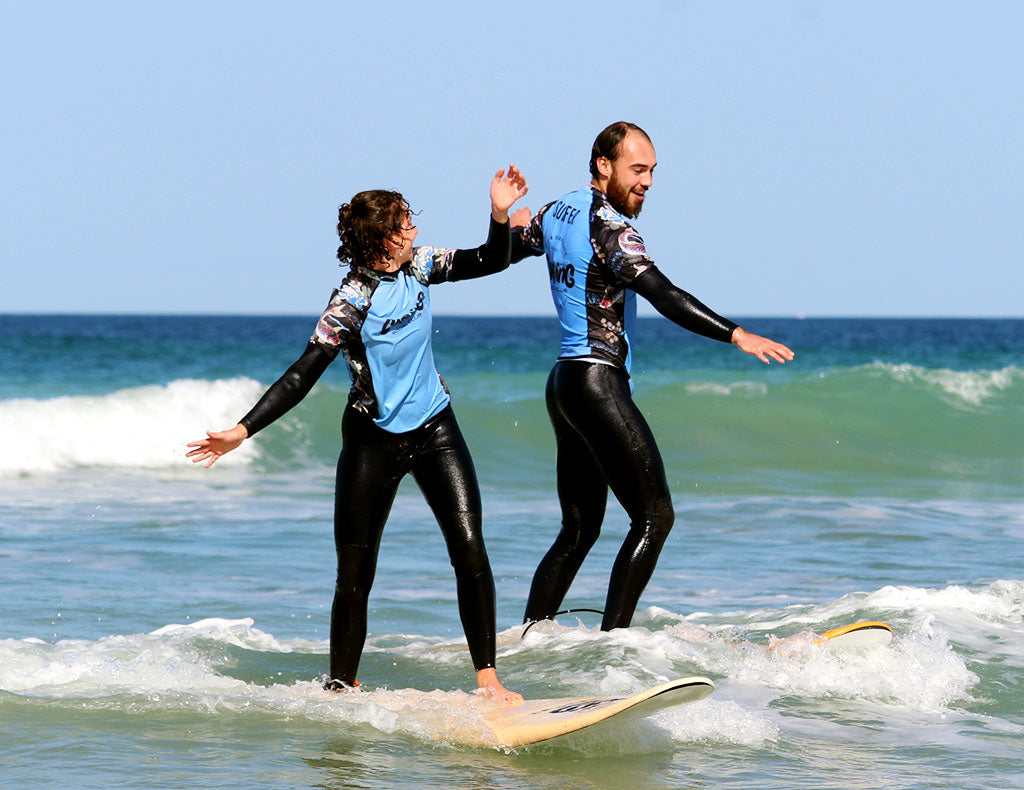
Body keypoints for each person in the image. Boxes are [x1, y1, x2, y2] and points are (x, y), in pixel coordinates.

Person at [187, 166, 530, 702]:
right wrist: (242, 429)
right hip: (371, 440)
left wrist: (499, 215)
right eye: (407, 222)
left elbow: (488, 261)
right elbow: (303, 372)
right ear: (387, 237)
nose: (415, 229)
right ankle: (341, 683)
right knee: (355, 571)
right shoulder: (351, 300)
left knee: (469, 550)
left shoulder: (419, 266)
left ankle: (488, 680)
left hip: (435, 426)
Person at [509, 122, 794, 631]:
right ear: (605, 165)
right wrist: (736, 335)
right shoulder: (612, 228)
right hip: (598, 382)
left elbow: (514, 245)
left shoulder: (558, 211)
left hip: (564, 384)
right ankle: (614, 643)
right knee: (654, 517)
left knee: (578, 530)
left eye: (653, 171)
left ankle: (530, 640)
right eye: (638, 170)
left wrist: (504, 221)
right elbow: (664, 294)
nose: (648, 182)